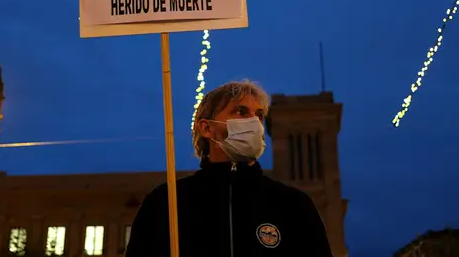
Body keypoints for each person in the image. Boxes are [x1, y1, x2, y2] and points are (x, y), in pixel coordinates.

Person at [125, 81, 334, 257]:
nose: (254, 122)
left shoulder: (293, 205)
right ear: (207, 128)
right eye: (241, 111)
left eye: (259, 115)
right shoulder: (166, 202)